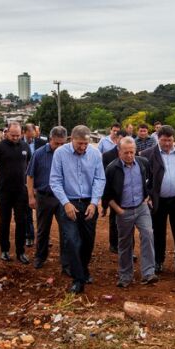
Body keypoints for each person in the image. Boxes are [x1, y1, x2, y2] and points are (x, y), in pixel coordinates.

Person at [50, 125, 106, 294]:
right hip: (69, 203)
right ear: (71, 139)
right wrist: (66, 203)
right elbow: (55, 180)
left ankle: (84, 268)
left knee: (88, 241)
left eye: (85, 144)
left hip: (89, 203)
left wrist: (94, 202)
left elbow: (99, 179)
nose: (82, 147)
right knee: (73, 241)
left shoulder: (95, 154)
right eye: (79, 143)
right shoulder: (60, 154)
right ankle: (78, 279)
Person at [103, 136, 158, 287]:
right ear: (119, 152)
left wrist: (148, 197)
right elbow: (107, 194)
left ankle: (148, 273)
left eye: (132, 152)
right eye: (126, 152)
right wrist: (118, 210)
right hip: (123, 211)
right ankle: (125, 276)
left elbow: (150, 181)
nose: (129, 155)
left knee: (148, 234)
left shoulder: (143, 164)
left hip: (141, 208)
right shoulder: (112, 169)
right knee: (125, 243)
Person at [141, 125, 175, 275]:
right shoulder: (147, 154)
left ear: (174, 139)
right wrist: (147, 196)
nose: (167, 144)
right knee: (158, 231)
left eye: (170, 140)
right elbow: (143, 178)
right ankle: (158, 262)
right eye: (164, 140)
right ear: (158, 139)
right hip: (158, 200)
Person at [0, 122, 32, 264]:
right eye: (13, 135)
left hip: (21, 190)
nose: (15, 138)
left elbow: (30, 167)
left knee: (21, 221)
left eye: (18, 135)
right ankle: (4, 250)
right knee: (4, 221)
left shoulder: (25, 146)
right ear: (6, 133)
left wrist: (32, 188)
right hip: (4, 191)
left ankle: (20, 251)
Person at [27, 126, 68, 269]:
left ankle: (66, 261)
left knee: (65, 230)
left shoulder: (68, 154)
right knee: (43, 229)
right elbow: (30, 175)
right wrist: (31, 197)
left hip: (63, 198)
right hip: (44, 197)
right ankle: (40, 257)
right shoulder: (39, 154)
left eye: (62, 143)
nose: (59, 147)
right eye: (56, 143)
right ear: (50, 139)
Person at [101, 130, 127, 253]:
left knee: (128, 221)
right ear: (116, 140)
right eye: (120, 140)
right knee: (114, 218)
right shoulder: (107, 156)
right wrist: (105, 202)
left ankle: (126, 246)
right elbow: (103, 177)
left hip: (128, 192)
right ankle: (114, 243)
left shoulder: (133, 153)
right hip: (113, 192)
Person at [23, 123, 47, 247]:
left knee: (42, 212)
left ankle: (43, 238)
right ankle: (29, 236)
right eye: (32, 132)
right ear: (25, 132)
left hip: (40, 180)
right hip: (25, 180)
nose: (34, 134)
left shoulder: (42, 143)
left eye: (35, 132)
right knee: (27, 210)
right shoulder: (20, 144)